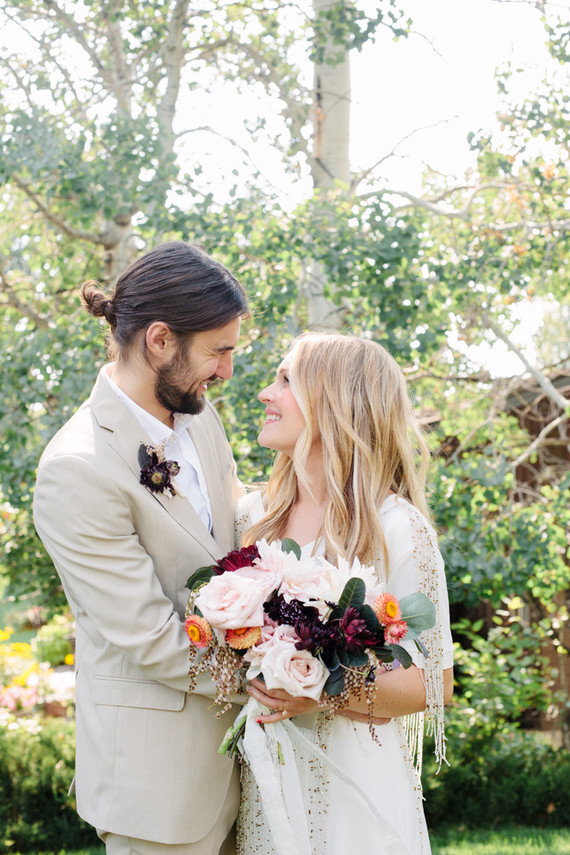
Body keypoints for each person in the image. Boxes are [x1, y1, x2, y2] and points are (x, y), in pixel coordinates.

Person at [33, 241, 249, 855]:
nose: (227, 371)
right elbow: (153, 638)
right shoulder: (77, 468)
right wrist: (285, 677)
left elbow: (230, 533)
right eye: (219, 350)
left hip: (250, 764)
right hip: (158, 791)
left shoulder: (200, 417)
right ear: (160, 340)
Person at [235, 332, 454, 855]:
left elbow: (434, 685)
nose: (266, 393)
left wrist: (315, 686)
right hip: (265, 777)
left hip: (357, 784)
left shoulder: (396, 528)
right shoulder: (251, 521)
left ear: (334, 401)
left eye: (286, 380)